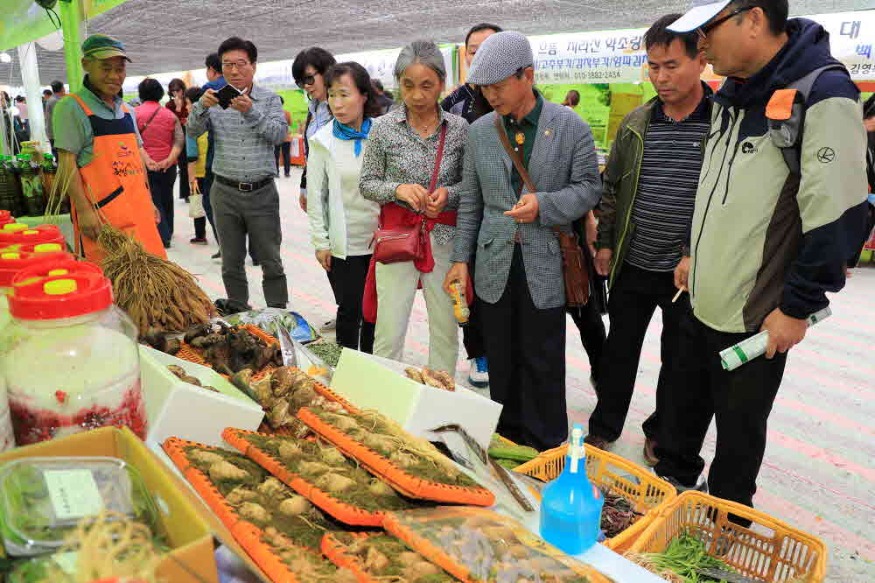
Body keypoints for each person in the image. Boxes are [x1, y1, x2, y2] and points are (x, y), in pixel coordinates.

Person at [654, 1, 868, 510]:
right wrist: (691, 251)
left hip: (756, 317)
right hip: (700, 295)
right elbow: (712, 189)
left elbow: (838, 215)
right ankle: (665, 507)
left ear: (752, 19)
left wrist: (797, 306)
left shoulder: (823, 95)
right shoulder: (731, 93)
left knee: (737, 441)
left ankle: (724, 530)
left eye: (708, 30)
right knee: (677, 423)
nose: (700, 44)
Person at [445, 31, 601, 450]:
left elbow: (589, 188)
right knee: (502, 356)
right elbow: (471, 201)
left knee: (543, 358)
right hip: (493, 259)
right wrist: (461, 259)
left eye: (498, 86)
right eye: (484, 88)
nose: (490, 95)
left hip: (546, 259)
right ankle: (508, 439)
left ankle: (547, 445)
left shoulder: (569, 127)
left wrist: (544, 205)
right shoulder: (479, 132)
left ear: (527, 75)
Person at [585, 15, 710, 462]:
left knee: (678, 360)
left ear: (701, 58)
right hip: (633, 260)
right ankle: (605, 425)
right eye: (653, 66)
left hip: (686, 272)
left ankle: (660, 431)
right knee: (620, 350)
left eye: (671, 65)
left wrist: (696, 253)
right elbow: (613, 187)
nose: (660, 77)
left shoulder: (722, 124)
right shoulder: (638, 122)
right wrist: (605, 243)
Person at [361, 41, 468, 374]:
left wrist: (448, 194)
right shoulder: (383, 129)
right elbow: (367, 183)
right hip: (397, 240)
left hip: (445, 241)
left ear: (441, 84)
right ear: (398, 84)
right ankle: (384, 404)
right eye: (408, 85)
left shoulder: (459, 130)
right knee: (389, 331)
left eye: (427, 86)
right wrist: (399, 189)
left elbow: (472, 188)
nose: (417, 95)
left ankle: (441, 397)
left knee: (445, 330)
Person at [188, 36, 289, 313]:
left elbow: (279, 134)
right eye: (227, 65)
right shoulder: (214, 100)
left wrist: (251, 112)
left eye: (240, 64)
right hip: (225, 192)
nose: (233, 71)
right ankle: (238, 312)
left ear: (253, 66)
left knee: (270, 258)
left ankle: (277, 313)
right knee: (231, 260)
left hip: (262, 192)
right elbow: (192, 132)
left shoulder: (268, 99)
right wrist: (200, 107)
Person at [52, 34, 165, 261]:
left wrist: (149, 200)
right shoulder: (71, 107)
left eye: (120, 69)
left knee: (153, 279)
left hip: (139, 210)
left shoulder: (127, 111)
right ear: (86, 65)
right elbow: (66, 163)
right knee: (113, 284)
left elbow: (137, 159)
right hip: (104, 217)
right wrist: (84, 211)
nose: (114, 76)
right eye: (106, 68)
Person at [439, 22, 501, 388]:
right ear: (466, 56)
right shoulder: (453, 104)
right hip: (463, 211)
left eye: (489, 47)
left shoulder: (517, 97)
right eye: (474, 49)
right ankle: (478, 353)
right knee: (466, 287)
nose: (481, 55)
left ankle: (504, 350)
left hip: (508, 214)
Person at [307, 62, 382, 353]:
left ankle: (375, 364)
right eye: (332, 96)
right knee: (350, 309)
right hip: (345, 244)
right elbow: (316, 197)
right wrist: (321, 242)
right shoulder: (322, 141)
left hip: (381, 241)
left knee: (377, 310)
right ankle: (348, 363)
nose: (337, 104)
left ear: (364, 95)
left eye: (344, 95)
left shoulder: (383, 133)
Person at [293, 46, 337, 332]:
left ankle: (357, 313)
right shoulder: (314, 109)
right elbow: (312, 154)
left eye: (310, 79)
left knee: (351, 258)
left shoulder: (341, 105)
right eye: (301, 83)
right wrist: (305, 187)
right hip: (321, 197)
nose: (307, 87)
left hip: (345, 195)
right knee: (329, 255)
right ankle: (345, 307)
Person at [136, 78, 184, 249]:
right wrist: (169, 160)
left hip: (145, 165)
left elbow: (134, 142)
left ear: (141, 94)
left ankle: (162, 235)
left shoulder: (135, 114)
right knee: (167, 198)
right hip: (168, 166)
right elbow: (179, 141)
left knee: (153, 199)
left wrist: (149, 161)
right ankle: (168, 230)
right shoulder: (170, 115)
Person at [442, 23, 502, 124]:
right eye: (473, 52)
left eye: (488, 50)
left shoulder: (517, 96)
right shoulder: (449, 106)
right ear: (465, 55)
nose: (480, 57)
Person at [184, 86, 218, 246]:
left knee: (198, 202)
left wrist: (191, 179)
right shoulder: (213, 120)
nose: (186, 107)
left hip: (199, 172)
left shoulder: (192, 125)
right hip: (216, 170)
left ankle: (201, 235)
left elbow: (191, 155)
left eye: (188, 103)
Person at [202, 52, 226, 260]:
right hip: (241, 159)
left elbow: (196, 126)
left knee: (211, 203)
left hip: (216, 158)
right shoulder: (245, 87)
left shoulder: (208, 90)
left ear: (211, 69)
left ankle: (225, 246)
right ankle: (255, 252)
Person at [166, 78, 191, 202]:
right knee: (183, 165)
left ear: (183, 90)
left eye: (178, 90)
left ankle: (196, 189)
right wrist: (178, 108)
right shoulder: (169, 105)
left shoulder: (189, 101)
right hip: (179, 138)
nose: (176, 93)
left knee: (193, 163)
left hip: (191, 135)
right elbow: (172, 123)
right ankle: (186, 193)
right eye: (173, 91)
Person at [45, 80, 66, 156]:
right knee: (59, 155)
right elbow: (59, 118)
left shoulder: (53, 99)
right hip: (56, 133)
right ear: (62, 89)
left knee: (58, 154)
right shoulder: (55, 101)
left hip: (54, 132)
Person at [275, 97, 292, 178]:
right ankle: (287, 172)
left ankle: (276, 172)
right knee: (286, 155)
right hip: (286, 137)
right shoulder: (287, 113)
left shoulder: (273, 113)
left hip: (276, 137)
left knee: (276, 155)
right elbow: (290, 123)